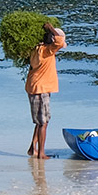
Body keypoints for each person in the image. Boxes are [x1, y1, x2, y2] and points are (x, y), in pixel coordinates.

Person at [25, 23, 67, 158]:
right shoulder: (46, 51)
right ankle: (41, 153)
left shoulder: (36, 49)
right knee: (43, 122)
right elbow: (59, 41)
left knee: (42, 120)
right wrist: (50, 28)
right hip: (40, 89)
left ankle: (32, 148)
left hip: (38, 87)